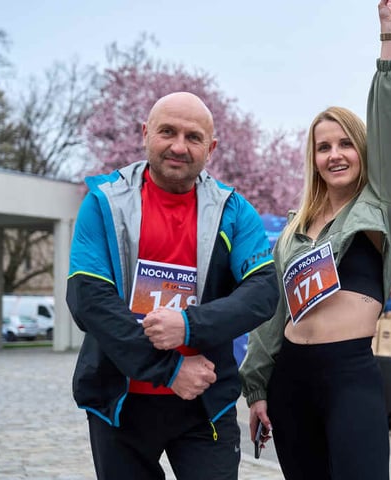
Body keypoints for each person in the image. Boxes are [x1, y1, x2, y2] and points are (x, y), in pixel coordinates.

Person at [238, 1, 391, 479]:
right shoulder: (296, 228)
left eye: (345, 144)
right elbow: (272, 314)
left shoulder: (382, 207)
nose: (334, 155)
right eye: (323, 147)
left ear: (362, 150)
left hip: (349, 373)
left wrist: (389, 42)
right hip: (290, 378)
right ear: (312, 158)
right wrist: (256, 388)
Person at [66, 91, 279, 480]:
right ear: (145, 133)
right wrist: (168, 369)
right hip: (119, 403)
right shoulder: (104, 203)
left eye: (193, 137)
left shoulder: (233, 210)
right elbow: (88, 300)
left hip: (205, 404)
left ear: (210, 148)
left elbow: (263, 291)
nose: (179, 146)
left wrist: (190, 325)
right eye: (167, 132)